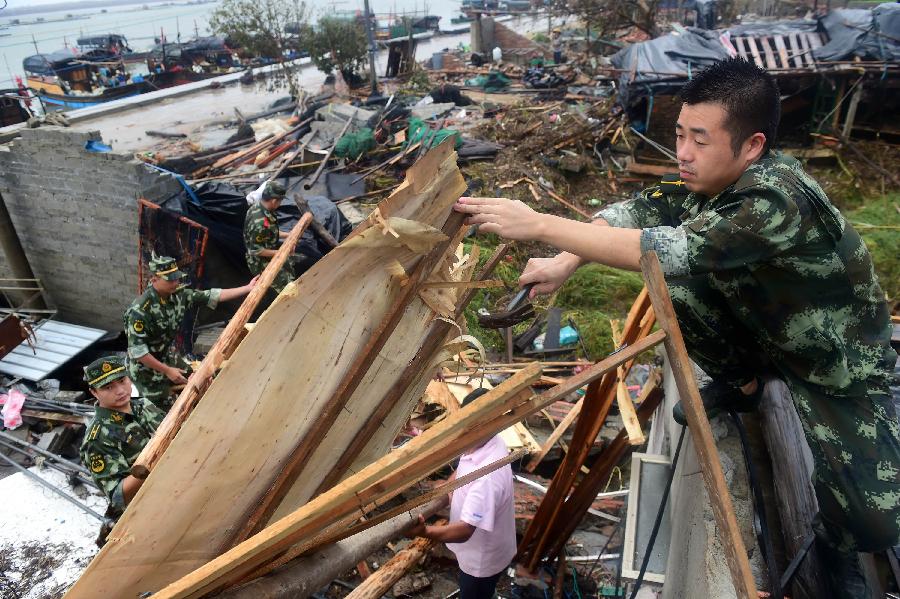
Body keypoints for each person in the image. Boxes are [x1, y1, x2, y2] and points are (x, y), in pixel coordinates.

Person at [452, 58, 899, 598]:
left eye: (700, 140)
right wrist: (564, 258)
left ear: (752, 145)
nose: (682, 153)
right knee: (679, 284)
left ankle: (835, 537)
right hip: (771, 336)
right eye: (680, 134)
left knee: (875, 521)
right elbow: (638, 210)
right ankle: (742, 381)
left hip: (833, 362)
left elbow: (665, 251)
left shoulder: (774, 200)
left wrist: (540, 223)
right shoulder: (709, 182)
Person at [406, 389, 517, 599]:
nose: (464, 432)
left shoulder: (488, 476)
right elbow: (463, 470)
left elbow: (465, 530)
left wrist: (424, 531)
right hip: (487, 546)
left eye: (471, 426)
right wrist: (446, 490)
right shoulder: (487, 441)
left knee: (474, 594)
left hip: (482, 561)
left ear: (488, 425)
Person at [124, 253, 258, 411]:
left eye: (177, 278)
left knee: (200, 380)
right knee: (169, 409)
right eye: (170, 279)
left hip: (168, 356)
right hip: (146, 370)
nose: (176, 282)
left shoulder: (178, 295)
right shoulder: (140, 311)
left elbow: (211, 295)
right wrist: (167, 371)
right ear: (154, 280)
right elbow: (139, 353)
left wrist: (247, 288)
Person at [80, 355, 163, 522]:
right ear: (94, 392)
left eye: (122, 381)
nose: (120, 391)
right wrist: (152, 462)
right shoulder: (97, 438)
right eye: (108, 387)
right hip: (152, 510)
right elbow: (118, 496)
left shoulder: (143, 404)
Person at [244, 181, 294, 294]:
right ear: (274, 200)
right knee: (284, 286)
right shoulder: (260, 222)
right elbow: (256, 250)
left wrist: (289, 235)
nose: (280, 204)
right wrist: (281, 252)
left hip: (268, 250)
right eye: (280, 201)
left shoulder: (260, 208)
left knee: (289, 268)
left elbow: (270, 232)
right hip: (260, 261)